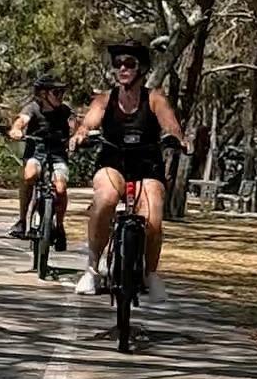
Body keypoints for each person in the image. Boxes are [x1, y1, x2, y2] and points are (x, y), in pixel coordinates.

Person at [70, 38, 187, 300]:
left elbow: (170, 124)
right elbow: (89, 122)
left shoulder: (154, 98)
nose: (122, 68)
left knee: (153, 216)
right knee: (105, 200)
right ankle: (92, 269)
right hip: (113, 162)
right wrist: (81, 134)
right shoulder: (105, 99)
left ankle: (151, 273)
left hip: (147, 164)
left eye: (129, 63)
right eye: (118, 63)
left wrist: (178, 138)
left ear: (142, 68)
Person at [7, 71, 72, 240]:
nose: (60, 96)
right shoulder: (32, 108)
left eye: (62, 92)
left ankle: (59, 226)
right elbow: (22, 120)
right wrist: (16, 130)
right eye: (56, 92)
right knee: (29, 176)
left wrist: (78, 137)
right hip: (36, 151)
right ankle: (22, 221)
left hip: (57, 153)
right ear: (43, 94)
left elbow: (75, 125)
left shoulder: (64, 111)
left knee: (60, 188)